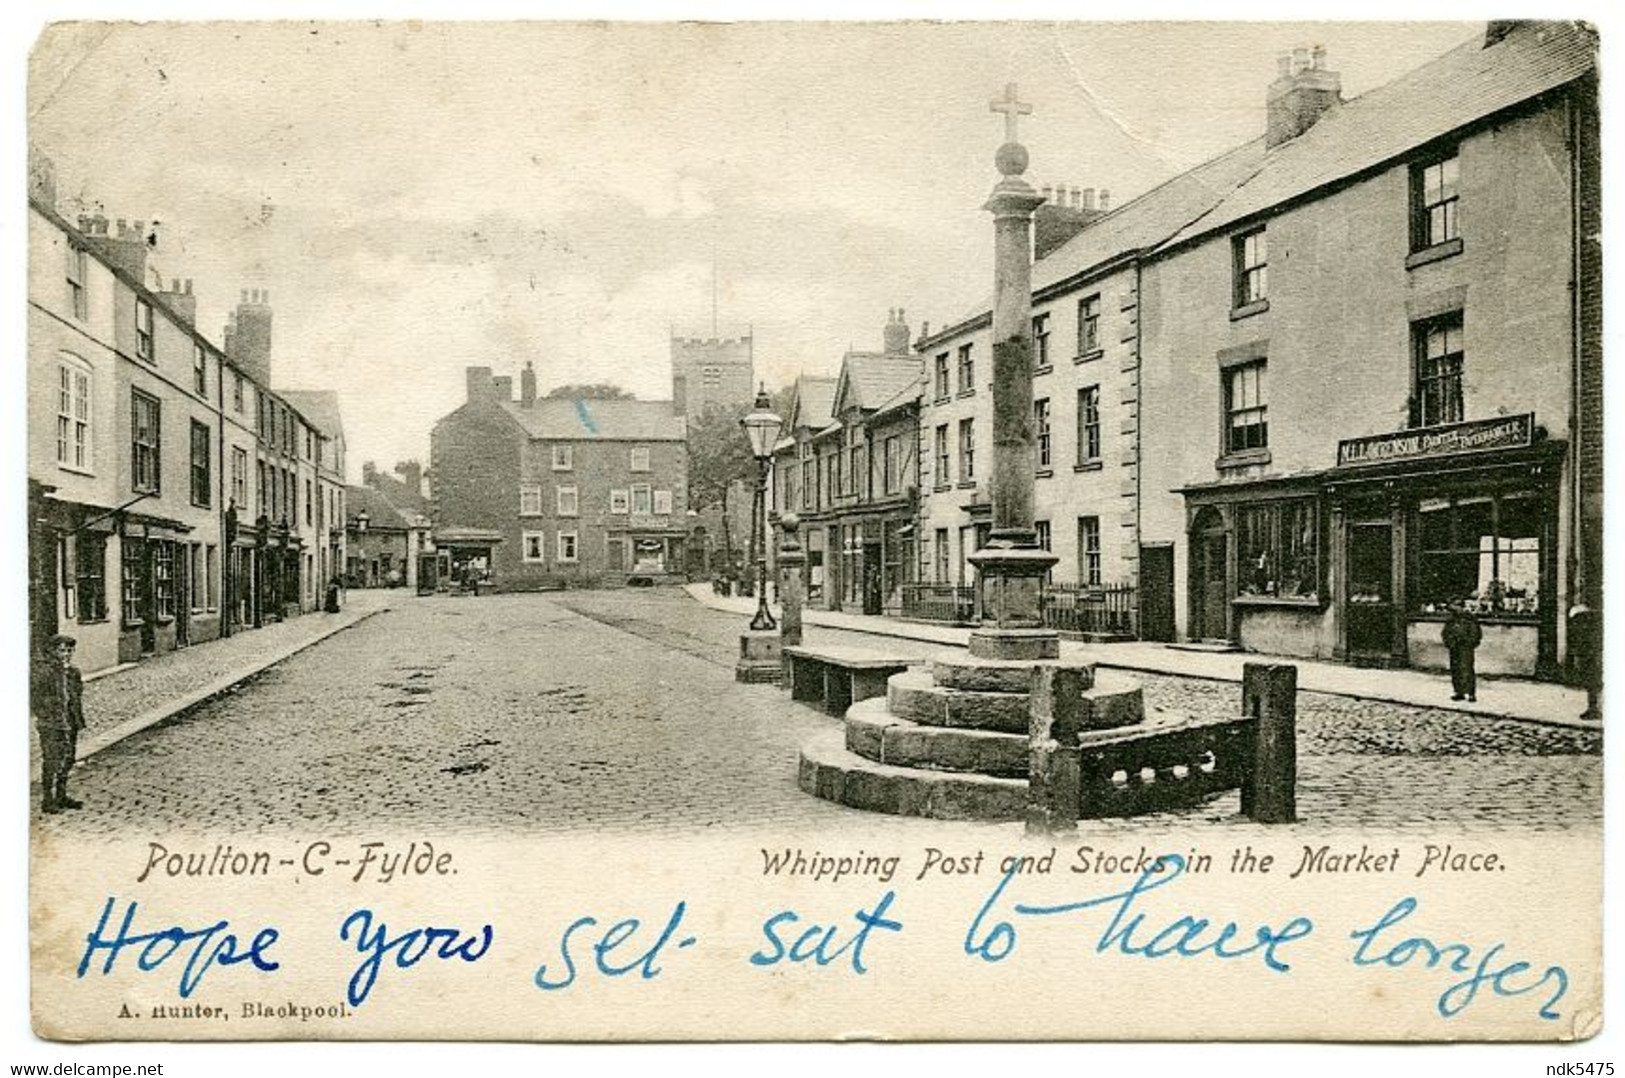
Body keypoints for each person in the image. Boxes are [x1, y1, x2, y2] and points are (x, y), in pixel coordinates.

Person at [31, 633, 85, 814]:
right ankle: (48, 799)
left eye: (69, 650)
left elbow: (77, 695)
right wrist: (47, 714)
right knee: (52, 760)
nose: (66, 654)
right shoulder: (45, 672)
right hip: (52, 723)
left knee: (68, 758)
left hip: (70, 721)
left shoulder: (73, 672)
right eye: (62, 650)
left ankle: (62, 796)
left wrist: (75, 717)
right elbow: (35, 698)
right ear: (53, 651)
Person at [1442, 600, 1483, 703]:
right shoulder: (1451, 619)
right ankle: (1459, 692)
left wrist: (1470, 643)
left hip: (1465, 647)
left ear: (1460, 606)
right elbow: (1445, 632)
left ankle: (1471, 694)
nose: (1452, 609)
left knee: (1467, 669)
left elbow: (1475, 632)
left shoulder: (1469, 618)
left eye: (1454, 606)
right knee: (1455, 669)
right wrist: (1448, 642)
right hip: (1454, 647)